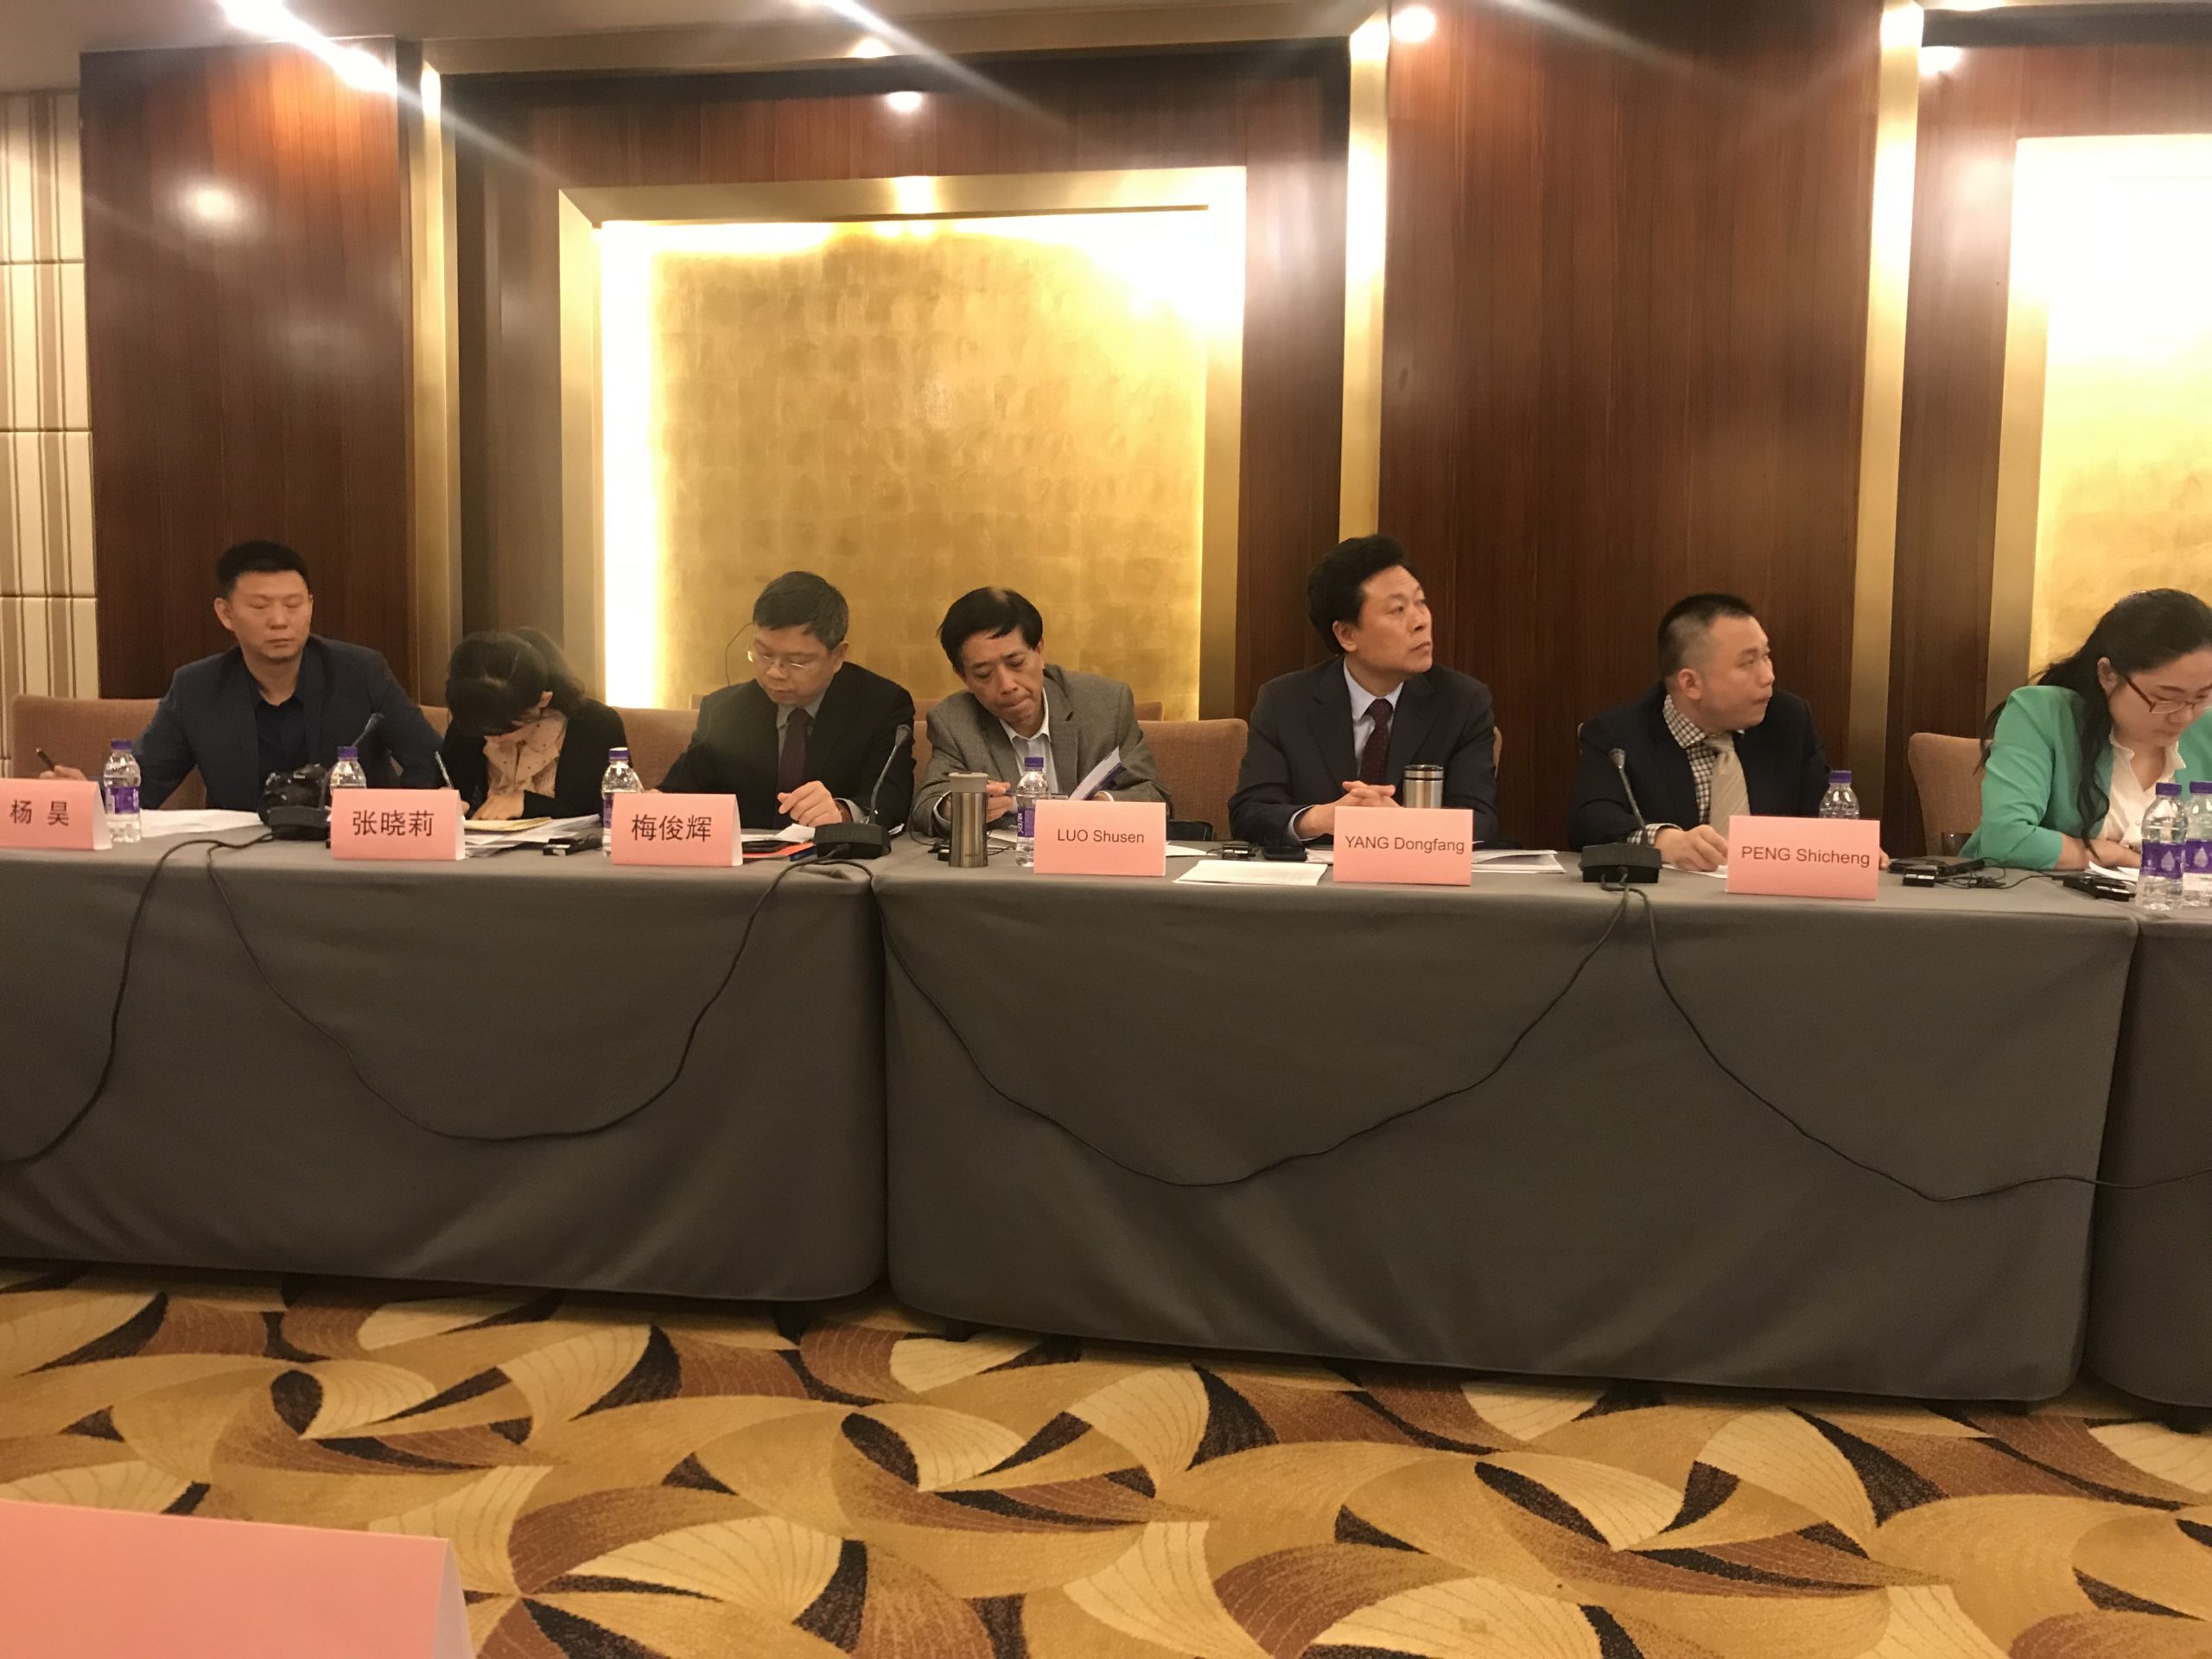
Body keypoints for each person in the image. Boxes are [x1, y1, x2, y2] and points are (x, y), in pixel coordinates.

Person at [43, 541, 439, 810]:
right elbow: (144, 782)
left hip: (347, 860)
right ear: (225, 613)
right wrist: (85, 797)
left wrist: (394, 819)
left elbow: (432, 762)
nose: (280, 620)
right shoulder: (196, 688)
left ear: (311, 606)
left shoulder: (360, 672)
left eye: (293, 604)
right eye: (261, 606)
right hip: (238, 870)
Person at [1229, 535, 1500, 846]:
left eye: (1421, 602)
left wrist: (1401, 823)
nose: (1421, 621)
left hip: (1419, 874)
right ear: (1346, 634)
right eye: (1397, 610)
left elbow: (1481, 821)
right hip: (1320, 875)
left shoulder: (1462, 701)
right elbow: (1249, 813)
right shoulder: (1284, 702)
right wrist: (1321, 818)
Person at [1567, 593, 1830, 871]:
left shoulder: (1788, 720)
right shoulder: (1617, 736)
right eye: (1748, 663)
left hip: (1772, 892)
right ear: (1691, 684)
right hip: (1669, 898)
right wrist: (1664, 842)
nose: (1768, 676)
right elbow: (1590, 821)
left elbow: (1825, 818)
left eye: (1766, 656)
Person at [1967, 588, 2212, 870]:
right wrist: (2119, 856)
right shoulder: (2043, 714)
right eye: (2166, 698)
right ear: (2108, 675)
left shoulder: (2206, 730)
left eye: (2202, 696)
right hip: (2035, 895)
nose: (2184, 716)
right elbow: (2006, 840)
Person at [658, 571, 916, 830]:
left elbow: (891, 798)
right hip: (746, 854)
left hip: (834, 852)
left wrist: (844, 813)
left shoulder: (880, 705)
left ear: (838, 656)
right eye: (764, 654)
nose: (775, 673)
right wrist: (653, 802)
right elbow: (680, 789)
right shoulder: (724, 710)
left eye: (797, 662)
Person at [908, 587, 1167, 833]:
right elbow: (927, 806)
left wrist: (1105, 806)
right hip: (1006, 862)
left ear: (1039, 651)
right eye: (984, 674)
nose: (1007, 685)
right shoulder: (953, 721)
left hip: (1093, 855)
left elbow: (1154, 796)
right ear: (963, 676)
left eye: (1016, 663)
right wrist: (957, 808)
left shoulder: (1105, 704)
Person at [440, 629, 626, 821]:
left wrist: (531, 805)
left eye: (504, 730)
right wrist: (443, 802)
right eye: (482, 731)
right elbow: (450, 787)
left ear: (543, 700)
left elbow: (611, 809)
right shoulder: (472, 723)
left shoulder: (596, 725)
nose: (492, 739)